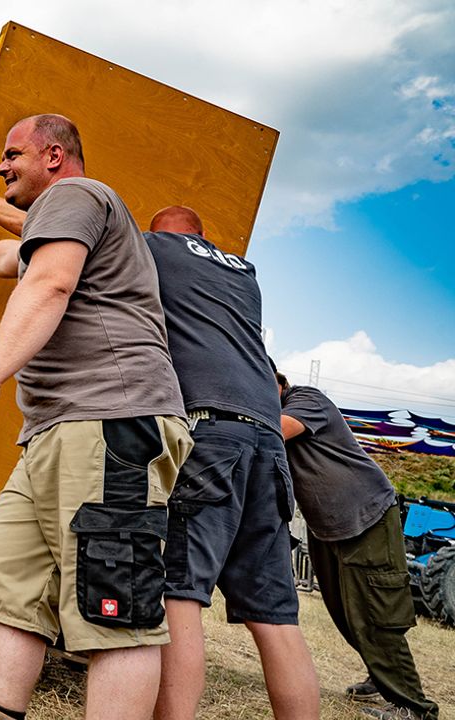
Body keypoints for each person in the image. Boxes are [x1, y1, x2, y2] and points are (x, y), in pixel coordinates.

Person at [0, 114, 192, 720]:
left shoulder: (78, 194)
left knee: (115, 607)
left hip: (113, 422)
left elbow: (48, 283)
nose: (1, 166)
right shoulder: (55, 223)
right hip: (57, 431)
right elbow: (14, 259)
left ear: (54, 156)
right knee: (5, 586)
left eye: (12, 154)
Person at [141, 206, 319, 719]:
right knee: (276, 618)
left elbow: (69, 231)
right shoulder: (243, 272)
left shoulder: (160, 250)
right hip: (268, 443)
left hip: (214, 434)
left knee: (180, 593)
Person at [278, 372, 440, 720]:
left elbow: (276, 431)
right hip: (329, 527)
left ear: (277, 381)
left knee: (376, 612)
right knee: (346, 613)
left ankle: (414, 707)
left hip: (367, 517)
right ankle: (382, 678)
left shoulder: (306, 399)